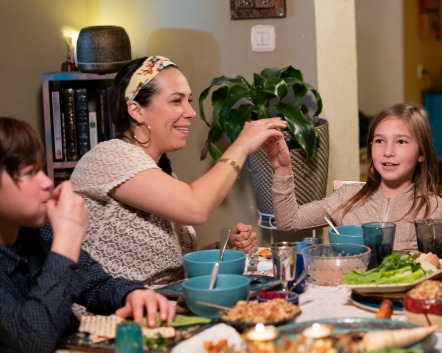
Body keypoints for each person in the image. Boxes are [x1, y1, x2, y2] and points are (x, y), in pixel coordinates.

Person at [70, 56, 287, 288]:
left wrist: (224, 248)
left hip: (171, 305)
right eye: (176, 101)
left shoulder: (161, 174)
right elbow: (197, 208)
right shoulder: (108, 157)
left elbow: (173, 269)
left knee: (282, 273)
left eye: (189, 100)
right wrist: (241, 145)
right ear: (137, 111)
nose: (191, 112)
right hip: (119, 316)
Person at [0, 117, 175, 353]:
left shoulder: (37, 231)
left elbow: (95, 285)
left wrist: (132, 294)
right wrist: (67, 240)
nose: (47, 182)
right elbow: (35, 339)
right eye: (29, 173)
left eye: (40, 169)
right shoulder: (52, 234)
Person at [266, 103, 442, 256]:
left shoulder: (435, 208)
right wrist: (282, 169)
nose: (388, 152)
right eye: (379, 141)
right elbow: (288, 221)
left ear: (421, 152)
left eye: (401, 142)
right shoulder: (346, 197)